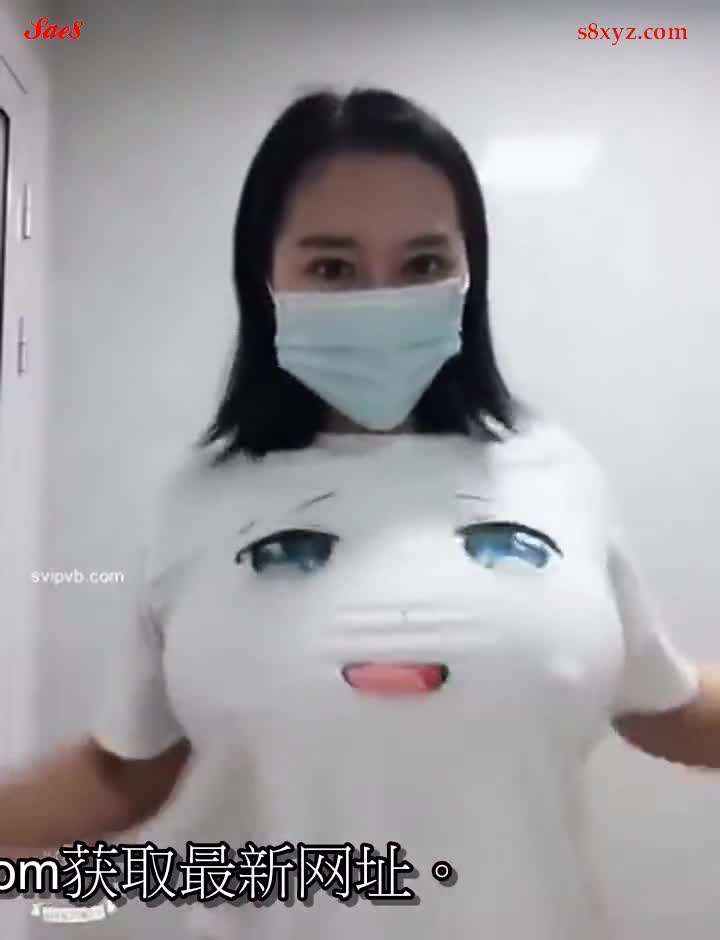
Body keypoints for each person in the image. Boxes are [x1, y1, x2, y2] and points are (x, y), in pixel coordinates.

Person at [1, 87, 716, 940]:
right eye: (333, 268)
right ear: (265, 277)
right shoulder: (197, 499)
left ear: (470, 275)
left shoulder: (555, 474)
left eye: (422, 264)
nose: (382, 298)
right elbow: (126, 771)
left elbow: (661, 703)